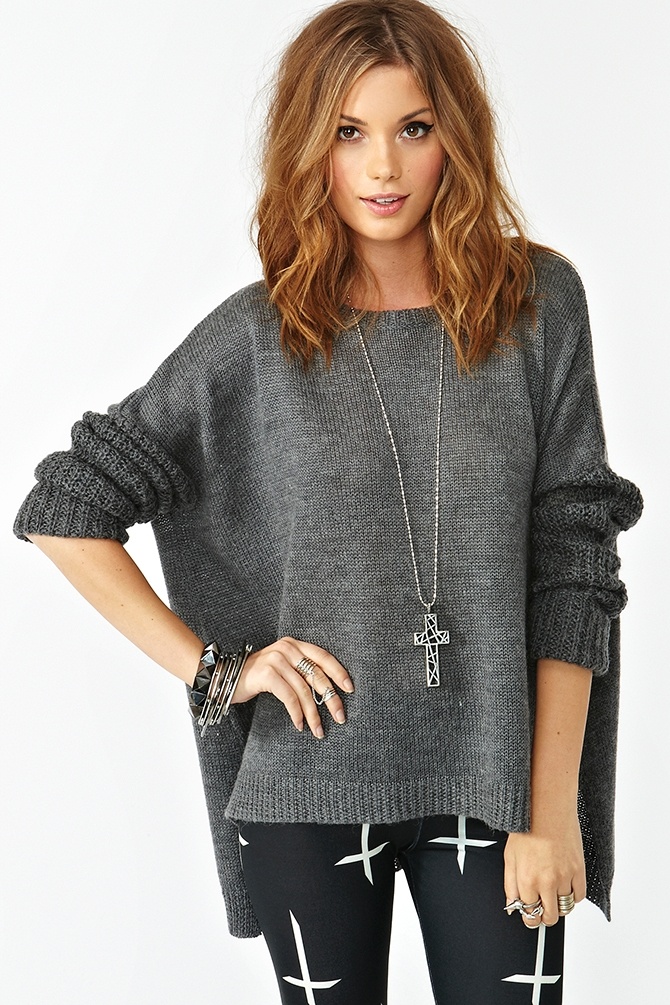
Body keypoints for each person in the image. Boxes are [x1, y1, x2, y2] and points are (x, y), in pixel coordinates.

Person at [13, 1, 643, 1002]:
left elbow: (576, 561)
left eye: (413, 128)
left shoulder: (537, 307)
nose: (383, 167)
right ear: (311, 146)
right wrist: (217, 672)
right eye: (350, 132)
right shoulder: (258, 338)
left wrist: (553, 805)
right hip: (306, 791)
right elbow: (65, 506)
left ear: (456, 137)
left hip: (495, 783)